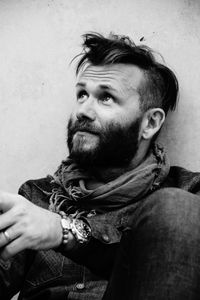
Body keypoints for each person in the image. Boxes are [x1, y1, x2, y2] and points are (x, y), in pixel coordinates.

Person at [1, 32, 200, 300]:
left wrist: (64, 231)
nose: (83, 110)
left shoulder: (189, 192)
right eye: (82, 94)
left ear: (150, 123)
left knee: (175, 210)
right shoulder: (38, 197)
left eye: (106, 98)